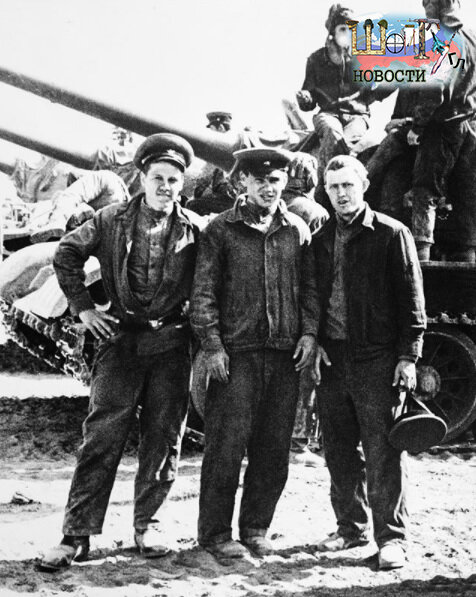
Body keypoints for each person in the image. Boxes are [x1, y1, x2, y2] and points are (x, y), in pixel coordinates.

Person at [39, 133, 203, 571]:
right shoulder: (111, 219)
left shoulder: (195, 229)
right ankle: (76, 535)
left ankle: (149, 525)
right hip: (121, 342)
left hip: (171, 345)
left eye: (173, 180)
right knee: (101, 438)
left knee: (164, 438)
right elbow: (67, 253)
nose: (165, 186)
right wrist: (83, 308)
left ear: (182, 184)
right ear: (142, 178)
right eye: (157, 178)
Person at [190, 147, 317, 559]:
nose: (268, 187)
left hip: (284, 356)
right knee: (225, 448)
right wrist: (212, 346)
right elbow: (203, 293)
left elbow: (310, 289)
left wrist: (309, 333)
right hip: (236, 355)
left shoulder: (297, 230)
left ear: (285, 182)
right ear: (242, 181)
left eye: (275, 180)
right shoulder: (220, 230)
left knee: (273, 449)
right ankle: (214, 534)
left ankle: (256, 527)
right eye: (259, 180)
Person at [310, 155, 426, 570]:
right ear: (326, 191)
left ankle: (392, 538)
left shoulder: (391, 234)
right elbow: (312, 296)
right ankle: (350, 527)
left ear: (363, 186)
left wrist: (408, 356)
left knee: (382, 452)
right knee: (338, 450)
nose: (341, 194)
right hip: (333, 359)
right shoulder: (320, 237)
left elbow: (412, 300)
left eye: (348, 185)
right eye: (334, 187)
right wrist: (315, 340)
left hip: (376, 358)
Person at [406, 0, 476, 262]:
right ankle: (467, 263)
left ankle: (421, 259)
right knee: (466, 194)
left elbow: (434, 92)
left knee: (425, 191)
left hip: (442, 127)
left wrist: (417, 128)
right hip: (469, 126)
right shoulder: (471, 37)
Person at [296, 3, 370, 206]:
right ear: (333, 31)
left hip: (357, 116)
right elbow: (309, 99)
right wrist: (305, 98)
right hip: (327, 114)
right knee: (332, 132)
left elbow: (376, 90)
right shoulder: (316, 59)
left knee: (346, 142)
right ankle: (322, 194)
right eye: (343, 28)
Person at [29, 170, 130, 243]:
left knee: (68, 197)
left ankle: (56, 222)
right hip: (122, 205)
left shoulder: (99, 177)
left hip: (110, 184)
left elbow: (71, 193)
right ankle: (76, 216)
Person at [186, 111, 238, 216]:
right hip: (232, 198)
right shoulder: (235, 144)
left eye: (212, 130)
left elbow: (204, 180)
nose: (209, 134)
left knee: (192, 205)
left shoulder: (222, 148)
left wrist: (196, 195)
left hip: (231, 200)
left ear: (220, 128)